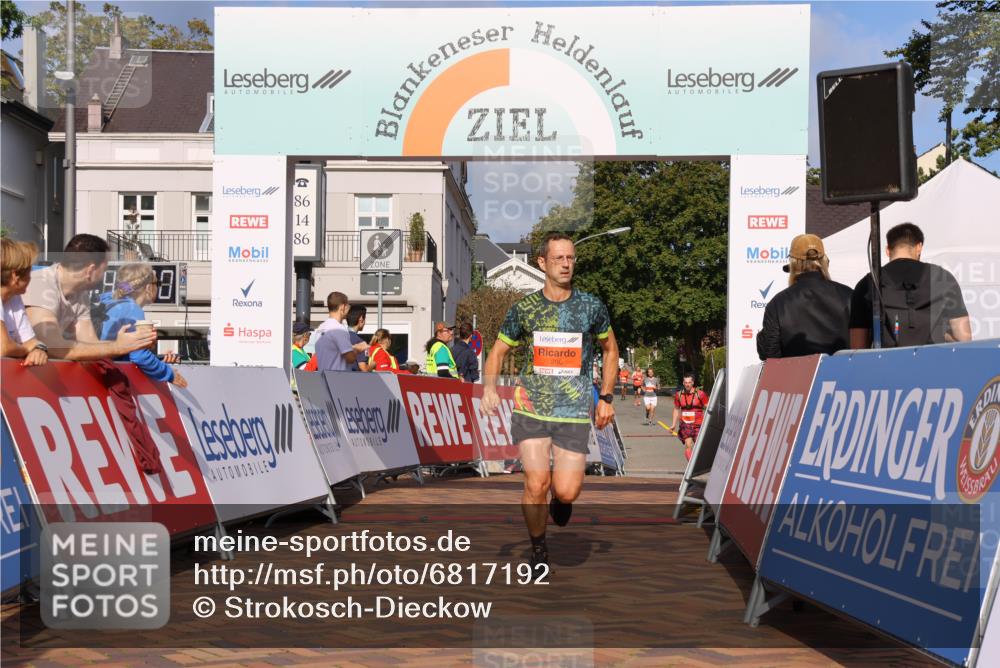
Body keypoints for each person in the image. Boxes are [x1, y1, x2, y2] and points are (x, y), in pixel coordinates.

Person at [480, 232, 619, 575]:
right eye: (558, 258)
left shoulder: (590, 306)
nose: (566, 264)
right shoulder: (524, 308)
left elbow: (610, 350)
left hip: (571, 411)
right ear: (541, 263)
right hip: (532, 409)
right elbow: (497, 352)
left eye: (570, 258)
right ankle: (538, 548)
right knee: (535, 483)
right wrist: (489, 388)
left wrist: (605, 397)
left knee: (567, 491)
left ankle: (561, 501)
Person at [24, 234, 155, 360]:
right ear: (91, 270)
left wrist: (133, 343)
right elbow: (54, 346)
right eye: (104, 269)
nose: (104, 275)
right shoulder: (40, 283)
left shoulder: (80, 293)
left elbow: (89, 342)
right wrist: (118, 347)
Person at [850, 222, 971, 348]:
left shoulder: (869, 283)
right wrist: (944, 335)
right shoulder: (943, 278)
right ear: (919, 247)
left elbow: (857, 347)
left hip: (888, 364)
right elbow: (964, 338)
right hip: (934, 363)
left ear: (887, 250)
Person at [756, 233, 853, 359]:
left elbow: (769, 355)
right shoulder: (849, 295)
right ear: (824, 261)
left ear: (793, 264)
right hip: (843, 375)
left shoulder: (778, 304)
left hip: (796, 377)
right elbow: (863, 346)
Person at [97, 263, 186, 387]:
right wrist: (168, 373)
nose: (159, 288)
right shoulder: (132, 309)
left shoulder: (106, 301)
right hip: (105, 377)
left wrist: (158, 362)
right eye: (158, 283)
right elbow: (139, 356)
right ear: (148, 287)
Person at [1, 239, 48, 366]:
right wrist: (28, 349)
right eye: (29, 271)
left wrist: (39, 349)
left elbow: (31, 342)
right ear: (15, 276)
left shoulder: (13, 298)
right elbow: (4, 348)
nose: (31, 277)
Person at [315, 291, 366, 371]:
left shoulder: (320, 328)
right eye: (348, 306)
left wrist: (352, 348)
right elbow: (350, 358)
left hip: (323, 378)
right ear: (342, 307)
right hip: (338, 379)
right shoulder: (339, 329)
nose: (349, 309)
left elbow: (332, 351)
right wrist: (359, 348)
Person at [670, 373, 709, 461]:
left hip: (698, 424)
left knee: (699, 446)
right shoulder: (678, 395)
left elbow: (708, 407)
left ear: (693, 383)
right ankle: (691, 465)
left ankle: (699, 463)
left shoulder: (700, 394)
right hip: (685, 424)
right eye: (685, 382)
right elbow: (676, 409)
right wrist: (673, 424)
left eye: (689, 382)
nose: (687, 384)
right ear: (683, 383)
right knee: (688, 445)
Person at [346, 305, 370, 371]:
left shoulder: (340, 336)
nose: (365, 322)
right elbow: (363, 368)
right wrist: (373, 365)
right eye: (365, 319)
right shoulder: (359, 342)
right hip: (353, 379)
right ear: (361, 319)